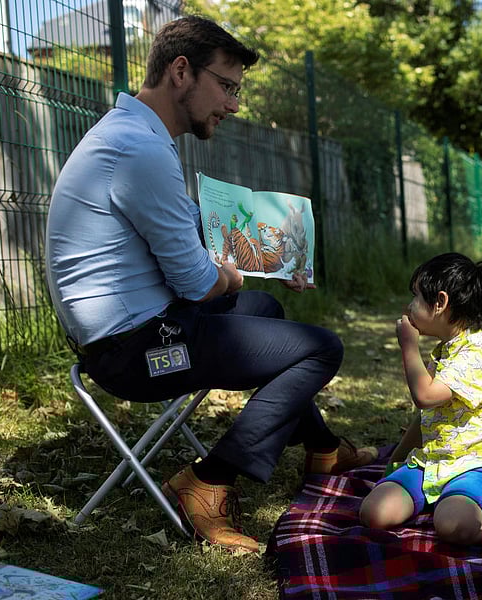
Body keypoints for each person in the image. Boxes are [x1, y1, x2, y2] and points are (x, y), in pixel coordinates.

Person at [44, 15, 376, 554]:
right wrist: (236, 271)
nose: (234, 104)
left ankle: (321, 448)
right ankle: (209, 480)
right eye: (226, 86)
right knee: (320, 350)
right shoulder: (141, 150)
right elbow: (198, 283)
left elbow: (190, 245)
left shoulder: (132, 134)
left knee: (264, 308)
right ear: (181, 71)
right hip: (134, 352)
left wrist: (269, 258)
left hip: (143, 328)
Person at [359, 253, 482, 545]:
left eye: (416, 297)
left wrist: (408, 345)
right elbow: (428, 416)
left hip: (475, 464)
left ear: (440, 302)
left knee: (453, 528)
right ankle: (441, 498)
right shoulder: (446, 350)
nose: (409, 306)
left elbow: (425, 397)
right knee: (374, 514)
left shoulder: (478, 352)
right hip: (432, 463)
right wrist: (397, 461)